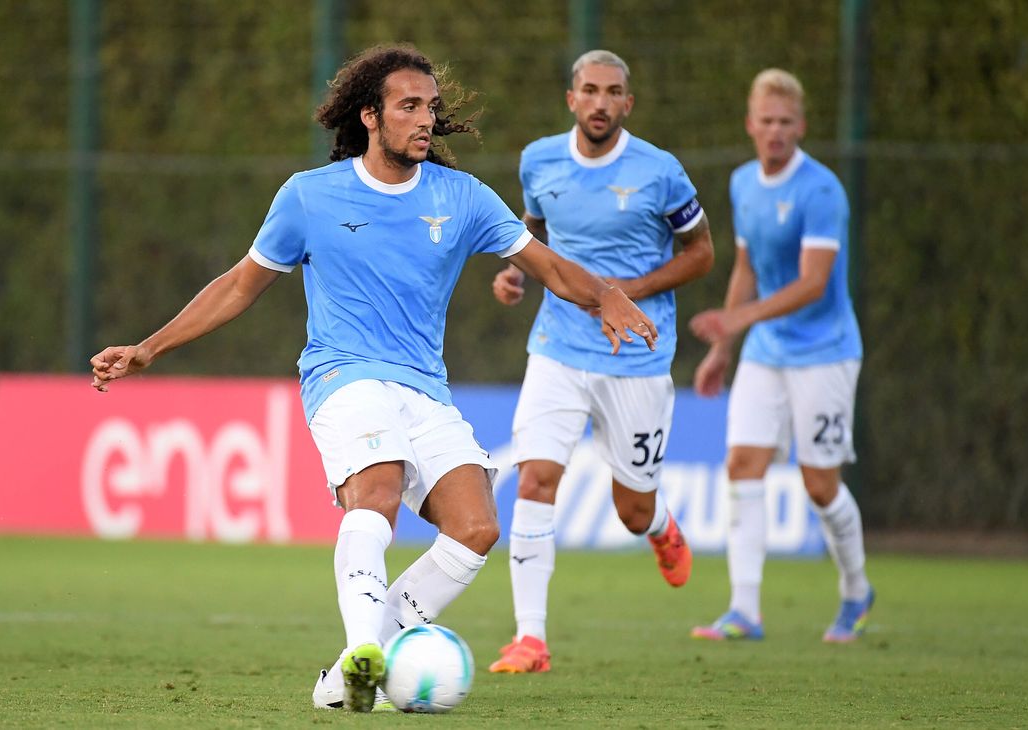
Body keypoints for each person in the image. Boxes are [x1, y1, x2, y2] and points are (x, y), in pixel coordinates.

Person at [89, 44, 658, 712]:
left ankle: (346, 677)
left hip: (424, 387)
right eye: (409, 106)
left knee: (476, 526)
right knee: (379, 487)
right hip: (344, 376)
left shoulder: (462, 197)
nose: (425, 119)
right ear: (369, 116)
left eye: (431, 108)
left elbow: (549, 267)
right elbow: (240, 287)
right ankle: (365, 646)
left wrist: (607, 297)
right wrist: (149, 348)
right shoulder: (309, 196)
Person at [487, 50, 714, 674]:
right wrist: (513, 276)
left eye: (613, 92)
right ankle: (529, 639)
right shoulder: (538, 161)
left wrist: (623, 293)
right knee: (536, 478)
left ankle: (663, 526)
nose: (600, 102)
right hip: (557, 349)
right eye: (589, 90)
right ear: (571, 99)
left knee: (632, 508)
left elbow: (701, 255)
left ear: (627, 104)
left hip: (637, 356)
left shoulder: (661, 172)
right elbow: (531, 243)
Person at [688, 68, 873, 643]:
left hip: (824, 352)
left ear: (801, 127)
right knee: (743, 465)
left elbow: (814, 283)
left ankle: (855, 591)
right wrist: (724, 348)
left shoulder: (821, 191)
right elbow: (746, 266)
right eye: (765, 121)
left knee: (820, 484)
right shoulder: (745, 183)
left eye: (785, 123)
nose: (775, 132)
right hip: (766, 352)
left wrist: (739, 319)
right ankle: (745, 610)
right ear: (750, 124)